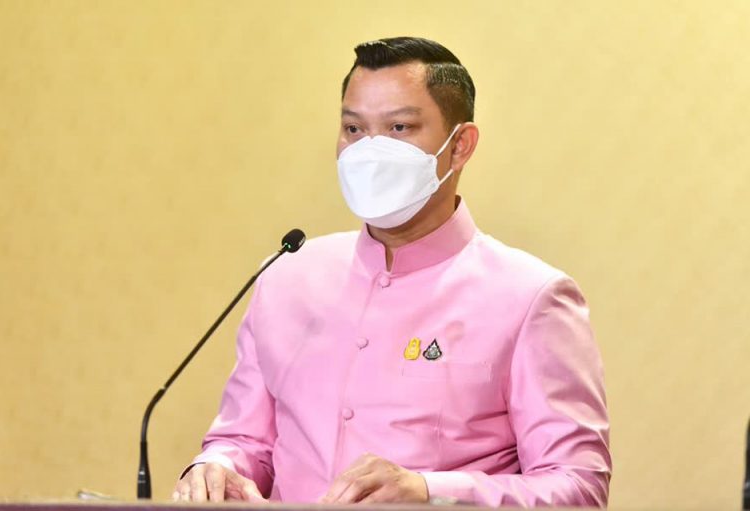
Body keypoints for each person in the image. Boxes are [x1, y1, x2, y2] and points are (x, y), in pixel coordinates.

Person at [172, 36, 611, 507]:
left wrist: (428, 491)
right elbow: (243, 441)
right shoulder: (287, 276)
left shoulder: (530, 297)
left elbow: (578, 487)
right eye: (353, 129)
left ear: (460, 146)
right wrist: (217, 468)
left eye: (399, 127)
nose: (370, 150)